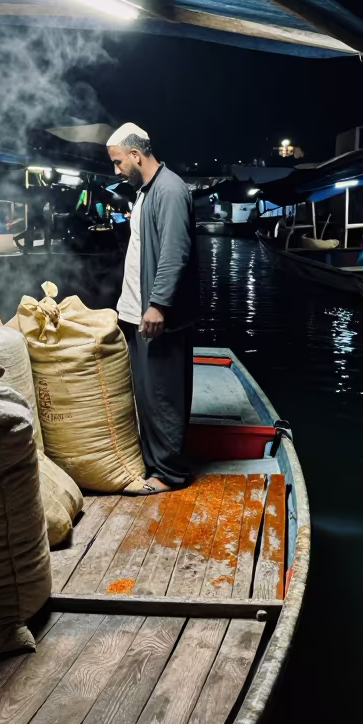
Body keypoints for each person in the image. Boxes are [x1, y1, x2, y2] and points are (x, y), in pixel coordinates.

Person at [107, 123, 201, 494]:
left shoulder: (170, 190)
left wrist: (158, 305)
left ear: (135, 154)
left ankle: (169, 474)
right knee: (146, 393)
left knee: (163, 395)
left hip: (157, 316)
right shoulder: (147, 191)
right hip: (137, 312)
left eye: (118, 163)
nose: (116, 171)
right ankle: (153, 464)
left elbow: (175, 253)